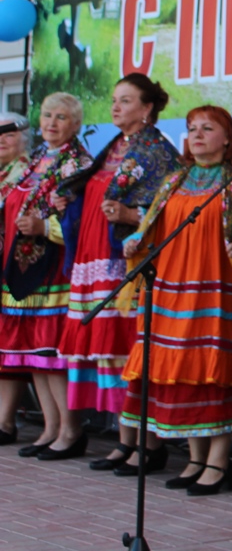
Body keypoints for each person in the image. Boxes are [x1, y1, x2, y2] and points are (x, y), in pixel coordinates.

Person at [120, 105, 232, 496]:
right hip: (170, 288)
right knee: (182, 374)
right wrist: (136, 242)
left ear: (228, 137)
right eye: (191, 129)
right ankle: (195, 459)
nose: (197, 135)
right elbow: (153, 226)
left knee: (211, 374)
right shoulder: (174, 178)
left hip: (215, 288)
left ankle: (218, 463)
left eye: (207, 128)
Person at [55, 73, 180, 474]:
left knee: (129, 350)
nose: (115, 107)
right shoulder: (114, 147)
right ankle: (125, 441)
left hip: (124, 263)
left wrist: (131, 215)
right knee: (108, 355)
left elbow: (170, 209)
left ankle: (150, 443)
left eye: (125, 101)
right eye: (114, 100)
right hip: (94, 258)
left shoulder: (157, 152)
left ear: (147, 109)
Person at [0, 93, 93, 460]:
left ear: (75, 124)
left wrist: (44, 226)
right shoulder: (38, 158)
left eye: (61, 117)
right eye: (47, 115)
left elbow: (82, 220)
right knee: (35, 355)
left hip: (54, 269)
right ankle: (51, 428)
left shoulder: (78, 163)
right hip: (24, 268)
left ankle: (71, 430)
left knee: (53, 353)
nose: (51, 123)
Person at [0, 112, 33, 444]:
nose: (1, 141)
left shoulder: (26, 175)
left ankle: (5, 421)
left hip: (13, 269)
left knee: (7, 348)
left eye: (9, 135)